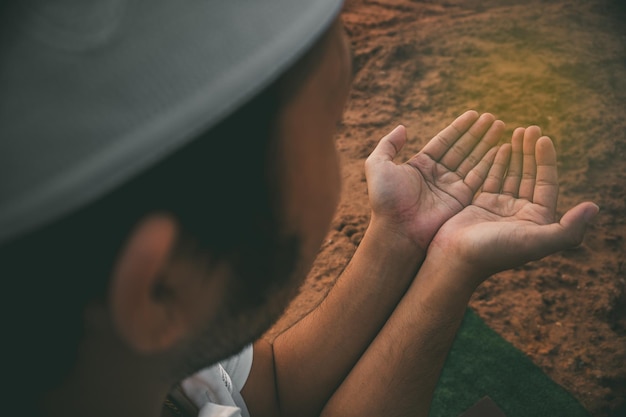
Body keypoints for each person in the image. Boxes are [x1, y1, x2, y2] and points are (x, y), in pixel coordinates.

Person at [0, 1, 598, 417]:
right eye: (331, 130)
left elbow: (271, 395)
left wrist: (413, 244)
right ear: (160, 286)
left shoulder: (114, 356)